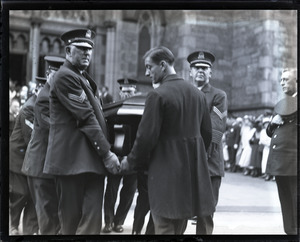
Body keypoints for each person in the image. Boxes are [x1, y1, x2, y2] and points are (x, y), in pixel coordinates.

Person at [120, 46, 214, 234]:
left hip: (164, 176)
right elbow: (207, 135)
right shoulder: (198, 94)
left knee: (163, 227)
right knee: (179, 227)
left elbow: (145, 138)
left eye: (149, 67)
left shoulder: (157, 95)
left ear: (162, 65)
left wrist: (129, 162)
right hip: (190, 177)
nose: (147, 73)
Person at [43, 29, 120, 235]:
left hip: (89, 162)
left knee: (91, 225)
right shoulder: (65, 77)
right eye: (82, 49)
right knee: (70, 224)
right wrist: (107, 153)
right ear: (68, 51)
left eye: (90, 49)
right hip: (72, 163)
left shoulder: (83, 78)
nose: (87, 53)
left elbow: (97, 116)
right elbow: (86, 117)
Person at [21, 56, 65, 235]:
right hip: (39, 167)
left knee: (42, 215)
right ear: (48, 75)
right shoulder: (45, 97)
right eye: (56, 75)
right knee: (47, 219)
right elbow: (53, 127)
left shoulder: (53, 95)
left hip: (43, 167)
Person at [187, 50, 228, 234]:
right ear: (190, 71)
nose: (201, 71)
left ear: (210, 73)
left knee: (205, 215)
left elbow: (215, 129)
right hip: (185, 161)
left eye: (205, 68)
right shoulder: (184, 93)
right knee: (180, 212)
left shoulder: (219, 96)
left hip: (209, 163)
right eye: (197, 67)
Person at [9, 76, 45, 235]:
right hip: (19, 157)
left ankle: (30, 231)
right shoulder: (29, 108)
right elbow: (32, 137)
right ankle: (12, 225)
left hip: (30, 159)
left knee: (32, 195)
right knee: (20, 193)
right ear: (37, 89)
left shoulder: (42, 105)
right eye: (44, 88)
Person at [103, 78, 138, 233]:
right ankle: (108, 222)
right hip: (116, 158)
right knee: (111, 191)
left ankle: (119, 222)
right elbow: (107, 133)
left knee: (129, 193)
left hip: (133, 159)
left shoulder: (139, 112)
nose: (126, 95)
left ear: (134, 92)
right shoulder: (113, 111)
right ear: (119, 92)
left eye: (129, 92)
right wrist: (110, 153)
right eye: (124, 92)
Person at [265, 68, 297, 235]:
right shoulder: (282, 103)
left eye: (286, 79)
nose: (282, 82)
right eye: (281, 79)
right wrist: (273, 123)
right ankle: (290, 232)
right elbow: (269, 132)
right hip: (280, 163)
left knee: (295, 204)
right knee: (286, 203)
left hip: (293, 163)